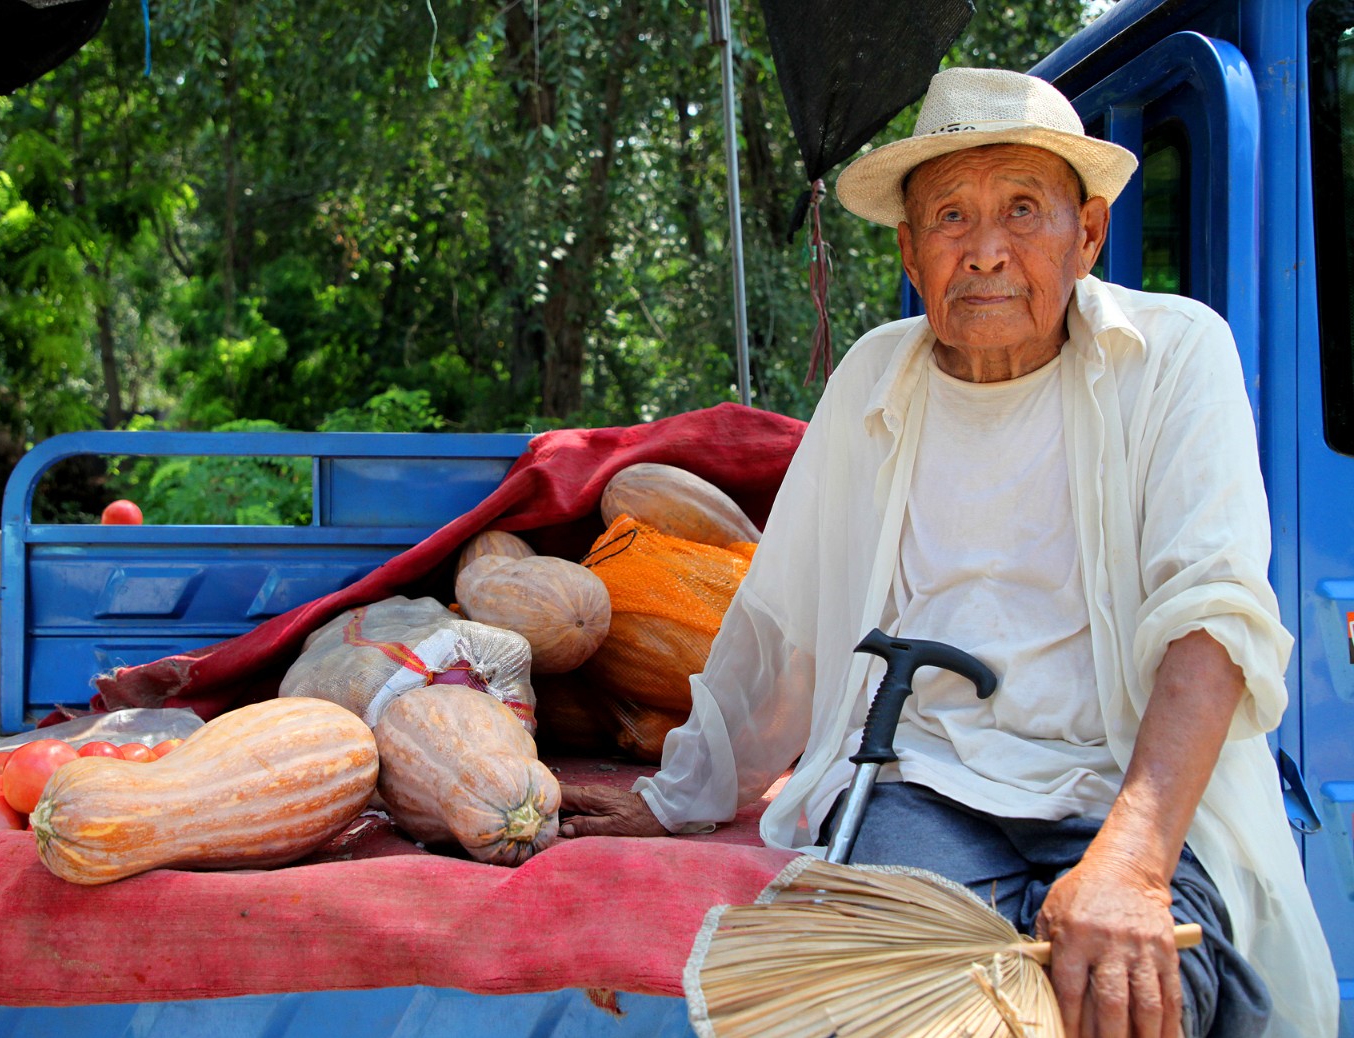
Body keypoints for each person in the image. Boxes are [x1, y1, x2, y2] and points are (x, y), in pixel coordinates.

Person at [557, 67, 1337, 1038]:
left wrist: (1132, 863)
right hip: (929, 788)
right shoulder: (874, 378)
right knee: (890, 1009)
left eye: (1022, 209)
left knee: (1130, 1004)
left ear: (1087, 234)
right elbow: (781, 624)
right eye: (951, 219)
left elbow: (1212, 612)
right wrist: (678, 800)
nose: (986, 252)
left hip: (1133, 792)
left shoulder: (1176, 356)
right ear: (911, 252)